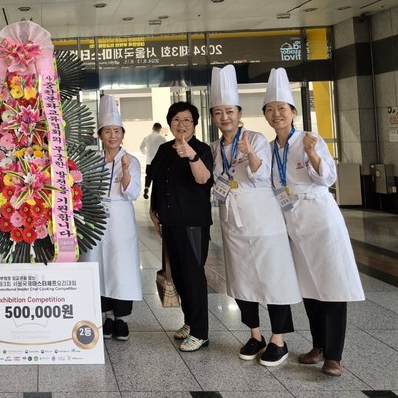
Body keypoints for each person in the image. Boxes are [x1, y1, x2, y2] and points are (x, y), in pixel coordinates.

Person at [263, 68, 364, 377]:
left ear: (293, 112)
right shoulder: (270, 149)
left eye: (282, 108)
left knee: (331, 285)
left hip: (320, 220)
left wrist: (313, 155)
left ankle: (334, 356)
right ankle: (318, 346)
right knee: (309, 288)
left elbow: (327, 178)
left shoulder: (310, 139)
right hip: (293, 224)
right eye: (270, 109)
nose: (276, 114)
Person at [209, 65, 301, 366]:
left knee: (273, 277)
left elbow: (263, 176)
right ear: (213, 117)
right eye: (219, 112)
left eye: (230, 111)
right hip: (232, 222)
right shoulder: (214, 148)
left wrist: (249, 152)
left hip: (263, 219)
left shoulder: (257, 138)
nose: (225, 117)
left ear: (239, 113)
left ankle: (279, 339)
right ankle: (255, 334)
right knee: (241, 279)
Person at [149, 101, 213, 352]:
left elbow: (203, 179)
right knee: (178, 275)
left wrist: (192, 156)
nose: (181, 124)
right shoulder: (164, 149)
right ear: (170, 123)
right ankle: (190, 321)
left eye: (187, 120)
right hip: (170, 221)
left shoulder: (201, 149)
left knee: (193, 276)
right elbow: (157, 180)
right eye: (176, 119)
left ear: (194, 124)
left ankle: (200, 332)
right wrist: (154, 209)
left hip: (192, 223)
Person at [80, 95, 143, 341]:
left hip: (120, 218)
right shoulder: (92, 160)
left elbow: (132, 193)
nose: (112, 136)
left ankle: (121, 319)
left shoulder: (131, 160)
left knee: (121, 266)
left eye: (117, 131)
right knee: (97, 264)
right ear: (100, 135)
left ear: (123, 134)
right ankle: (106, 316)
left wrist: (125, 171)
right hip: (96, 217)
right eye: (107, 131)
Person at [140, 122, 166, 199]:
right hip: (158, 162)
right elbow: (167, 147)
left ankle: (146, 187)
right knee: (158, 177)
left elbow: (141, 147)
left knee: (148, 176)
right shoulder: (161, 137)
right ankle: (157, 193)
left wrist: (145, 153)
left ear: (153, 128)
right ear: (159, 129)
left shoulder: (146, 137)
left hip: (149, 161)